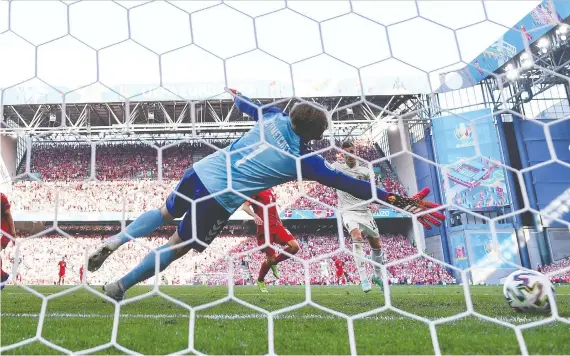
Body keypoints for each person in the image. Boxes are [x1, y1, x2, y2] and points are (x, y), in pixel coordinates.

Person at [88, 89, 444, 301]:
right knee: (176, 245)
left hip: (202, 171)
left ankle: (116, 240)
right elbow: (351, 185)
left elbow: (248, 105)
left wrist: (236, 94)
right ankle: (120, 286)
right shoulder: (304, 161)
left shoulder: (271, 116)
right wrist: (399, 200)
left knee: (164, 214)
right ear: (311, 136)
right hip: (220, 197)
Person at [332, 141, 385, 292]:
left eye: (352, 151)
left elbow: (372, 191)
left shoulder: (365, 171)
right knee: (357, 237)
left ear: (356, 152)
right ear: (342, 155)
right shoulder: (337, 167)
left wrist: (373, 202)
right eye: (346, 152)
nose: (350, 155)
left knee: (376, 245)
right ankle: (363, 278)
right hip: (348, 211)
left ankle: (376, 275)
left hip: (364, 211)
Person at [241, 188, 299, 293]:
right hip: (264, 228)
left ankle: (274, 262)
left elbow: (273, 208)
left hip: (276, 225)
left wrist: (280, 221)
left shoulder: (272, 190)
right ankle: (260, 280)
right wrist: (254, 215)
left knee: (295, 247)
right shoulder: (257, 189)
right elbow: (245, 206)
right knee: (270, 260)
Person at [1, 192, 16, 290]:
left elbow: (8, 214)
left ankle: (3, 276)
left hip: (3, 230)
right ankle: (2, 276)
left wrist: (13, 232)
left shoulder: (2, 197)